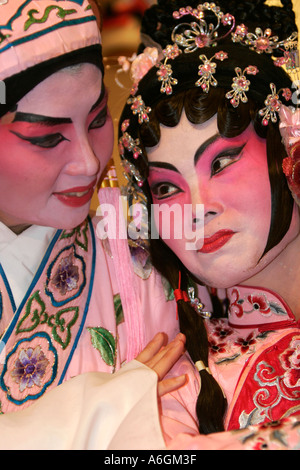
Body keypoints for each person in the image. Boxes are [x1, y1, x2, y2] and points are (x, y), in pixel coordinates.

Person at [0, 0, 190, 450]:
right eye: (47, 138)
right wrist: (91, 415)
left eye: (99, 118)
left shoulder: (145, 258)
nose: (88, 161)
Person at [118, 0, 300, 449]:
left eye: (222, 161)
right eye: (165, 189)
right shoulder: (179, 384)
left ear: (290, 146)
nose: (197, 208)